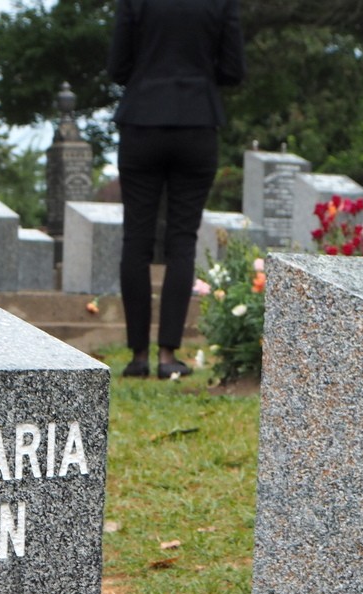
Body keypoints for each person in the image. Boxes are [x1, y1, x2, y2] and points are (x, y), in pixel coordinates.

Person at [108, 0, 244, 378]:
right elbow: (233, 70)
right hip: (197, 121)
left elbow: (118, 67)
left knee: (136, 237)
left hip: (141, 120)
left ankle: (138, 356)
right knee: (182, 240)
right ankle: (168, 357)